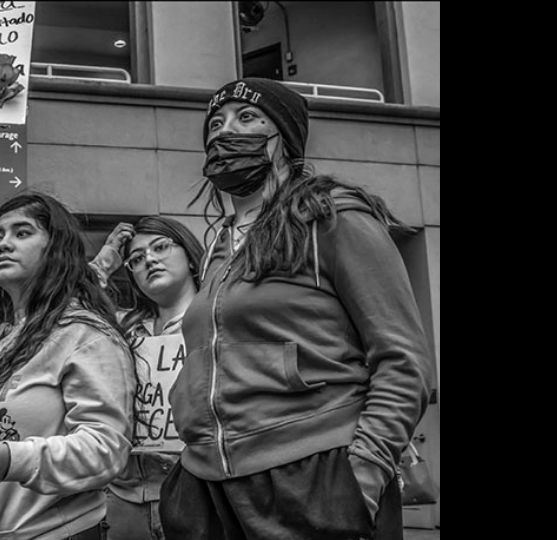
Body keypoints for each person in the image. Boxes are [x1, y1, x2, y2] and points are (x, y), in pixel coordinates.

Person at [160, 78, 432, 540]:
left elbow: (404, 361)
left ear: (285, 138)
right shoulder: (216, 249)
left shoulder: (333, 218)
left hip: (314, 477)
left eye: (247, 117)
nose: (225, 131)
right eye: (215, 123)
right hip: (209, 485)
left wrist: (363, 475)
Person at [0, 192, 136, 540]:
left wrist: (11, 460)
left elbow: (106, 450)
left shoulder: (85, 334)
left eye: (22, 233)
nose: (3, 244)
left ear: (55, 248)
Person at [102, 216, 204, 540]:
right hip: (124, 498)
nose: (149, 259)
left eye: (160, 247)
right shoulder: (120, 327)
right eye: (136, 259)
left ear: (190, 257)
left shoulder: (219, 320)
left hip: (196, 489)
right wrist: (105, 262)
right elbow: (64, 307)